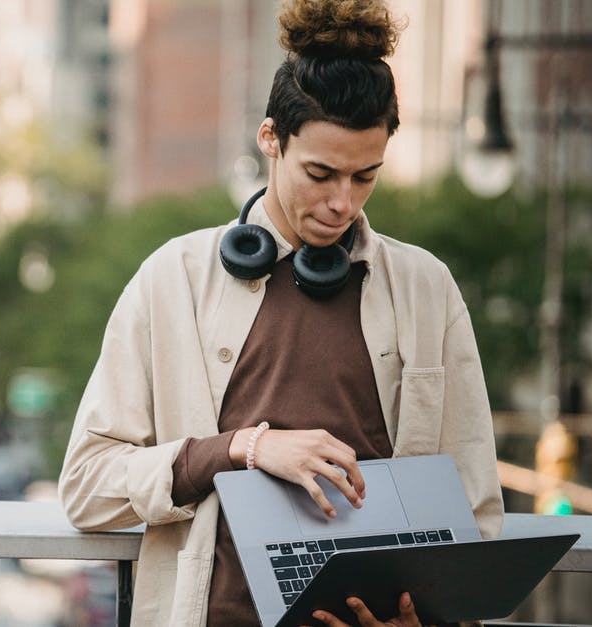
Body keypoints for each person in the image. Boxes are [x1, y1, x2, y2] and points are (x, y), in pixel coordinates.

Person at [58, 0, 504, 625]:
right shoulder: (173, 278)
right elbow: (87, 487)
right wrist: (243, 449)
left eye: (365, 177)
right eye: (320, 173)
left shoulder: (428, 288)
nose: (341, 203)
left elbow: (474, 509)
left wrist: (432, 617)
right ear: (271, 138)